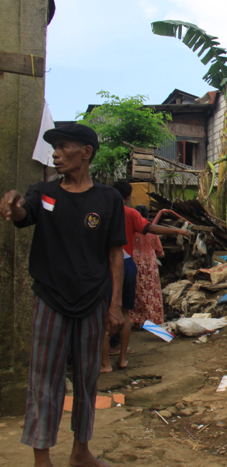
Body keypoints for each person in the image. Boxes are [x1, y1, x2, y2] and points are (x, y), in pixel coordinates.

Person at [1, 123, 126, 467]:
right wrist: (13, 203)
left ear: (86, 152)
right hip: (50, 298)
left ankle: (80, 452)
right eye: (54, 147)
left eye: (63, 146)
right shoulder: (43, 192)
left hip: (92, 300)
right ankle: (42, 459)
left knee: (87, 379)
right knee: (44, 379)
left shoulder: (108, 198)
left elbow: (116, 253)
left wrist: (115, 305)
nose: (55, 152)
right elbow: (23, 211)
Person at [101, 181, 190, 372]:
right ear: (127, 196)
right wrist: (178, 230)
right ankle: (123, 358)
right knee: (126, 310)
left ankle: (105, 362)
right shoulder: (131, 215)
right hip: (132, 266)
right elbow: (153, 234)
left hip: (108, 265)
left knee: (104, 313)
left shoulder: (102, 212)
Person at [130, 205, 165, 326]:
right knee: (152, 291)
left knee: (136, 291)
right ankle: (152, 320)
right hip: (150, 264)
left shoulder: (133, 229)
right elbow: (159, 250)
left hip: (134, 262)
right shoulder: (152, 230)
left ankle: (136, 321)